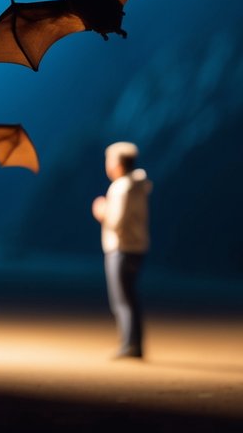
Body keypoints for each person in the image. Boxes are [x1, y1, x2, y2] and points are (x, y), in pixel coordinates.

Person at [91, 140, 151, 359]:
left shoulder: (120, 188)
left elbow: (117, 221)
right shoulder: (138, 186)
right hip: (137, 246)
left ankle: (129, 345)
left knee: (122, 298)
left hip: (121, 248)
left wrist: (102, 211)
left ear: (116, 163)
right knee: (129, 296)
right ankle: (133, 343)